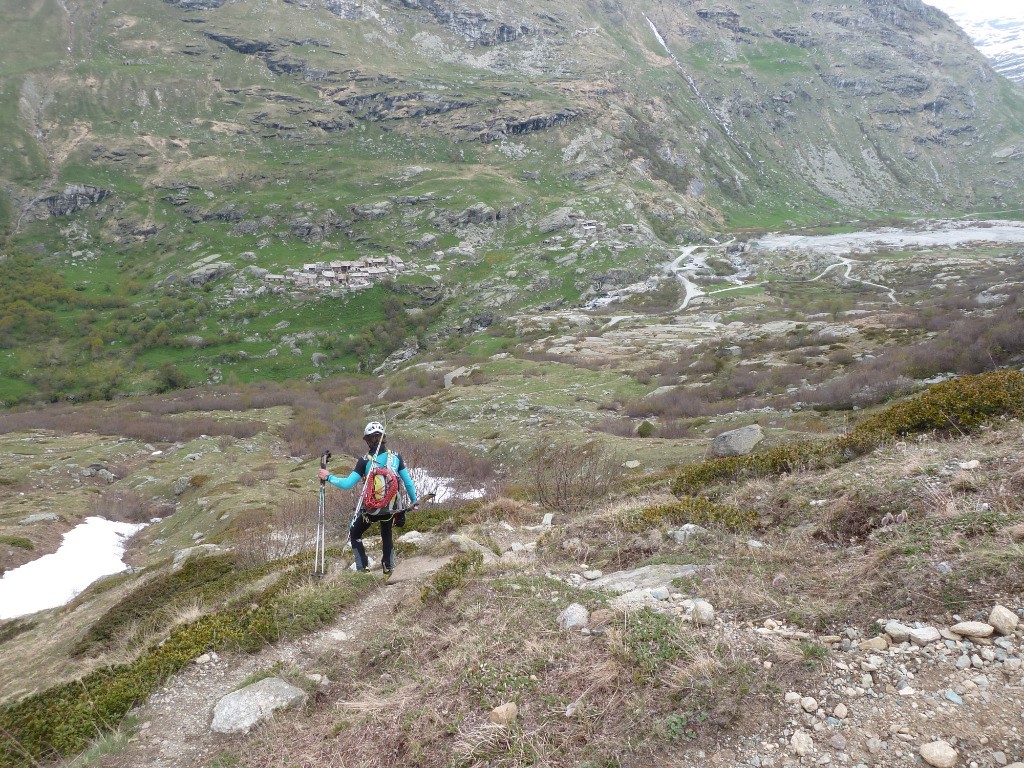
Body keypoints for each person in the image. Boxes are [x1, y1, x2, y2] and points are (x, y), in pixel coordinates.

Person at [318, 421, 418, 579]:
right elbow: (408, 483)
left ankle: (363, 568)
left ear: (367, 440)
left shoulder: (364, 460)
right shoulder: (397, 457)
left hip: (371, 509)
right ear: (384, 438)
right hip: (390, 507)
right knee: (386, 533)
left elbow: (347, 484)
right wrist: (414, 502)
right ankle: (388, 568)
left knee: (355, 532)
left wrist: (328, 476)